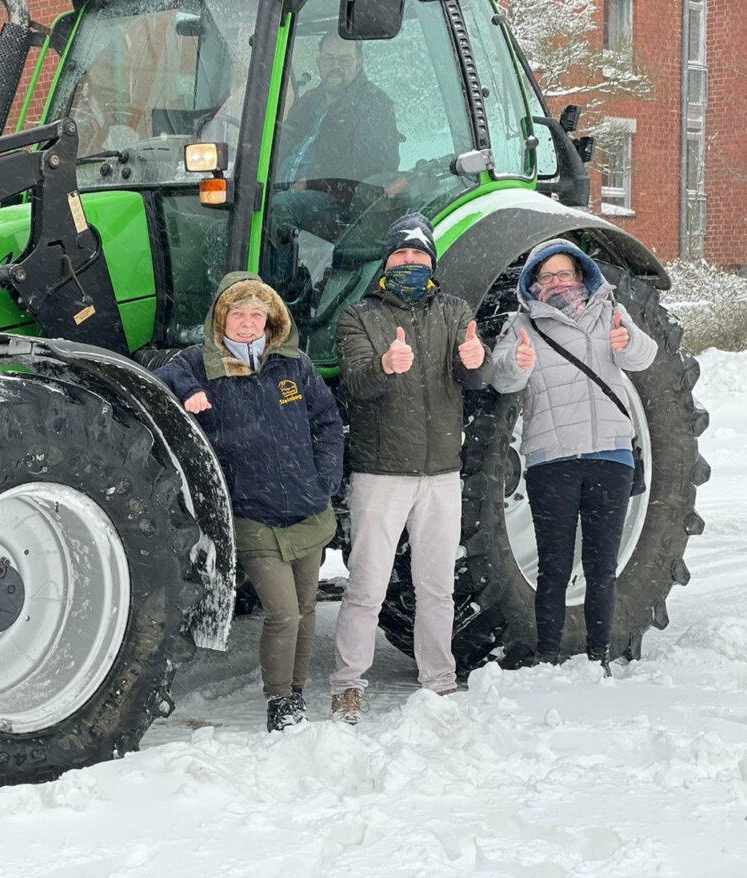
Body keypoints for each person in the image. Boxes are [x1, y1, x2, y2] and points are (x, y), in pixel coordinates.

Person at [156, 271, 344, 732]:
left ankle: (296, 692)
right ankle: (279, 700)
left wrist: (324, 481)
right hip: (252, 514)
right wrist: (187, 390)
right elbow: (159, 380)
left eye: (256, 314)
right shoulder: (198, 364)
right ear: (220, 318)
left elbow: (327, 423)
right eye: (237, 313)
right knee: (282, 613)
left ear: (270, 319)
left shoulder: (294, 365)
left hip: (307, 508)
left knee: (306, 611)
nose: (246, 323)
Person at [330, 213, 493, 723]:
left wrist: (477, 360)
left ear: (431, 262)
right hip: (381, 473)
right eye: (401, 254)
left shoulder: (455, 310)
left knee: (437, 588)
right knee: (367, 587)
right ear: (386, 262)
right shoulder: (359, 315)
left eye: (419, 254)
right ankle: (348, 684)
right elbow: (356, 381)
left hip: (441, 472)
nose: (410, 262)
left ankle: (439, 680)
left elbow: (474, 376)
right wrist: (385, 366)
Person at [491, 239, 657, 674]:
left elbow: (645, 357)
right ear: (533, 283)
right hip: (553, 461)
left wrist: (628, 341)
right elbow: (503, 378)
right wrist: (518, 362)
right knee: (554, 567)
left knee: (601, 567)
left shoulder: (609, 312)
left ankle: (599, 656)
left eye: (564, 274)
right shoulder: (523, 325)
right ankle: (548, 657)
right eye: (546, 276)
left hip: (610, 457)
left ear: (581, 275)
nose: (556, 283)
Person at [273, 33, 405, 244]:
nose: (335, 66)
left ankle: (275, 268)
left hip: (341, 204)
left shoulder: (374, 103)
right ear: (319, 62)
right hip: (284, 188)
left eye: (344, 60)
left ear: (358, 63)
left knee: (280, 207)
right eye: (328, 59)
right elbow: (282, 140)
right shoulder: (309, 101)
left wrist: (314, 181)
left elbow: (374, 161)